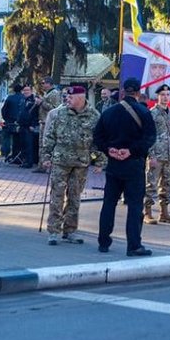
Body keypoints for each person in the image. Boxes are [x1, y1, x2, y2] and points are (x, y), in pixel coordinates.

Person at [94, 77, 156, 256]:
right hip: (134, 165)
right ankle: (134, 245)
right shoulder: (144, 113)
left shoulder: (109, 112)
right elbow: (150, 138)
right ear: (137, 93)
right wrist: (131, 151)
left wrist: (109, 150)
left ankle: (103, 242)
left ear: (122, 92)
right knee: (135, 206)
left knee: (109, 203)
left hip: (113, 165)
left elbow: (97, 137)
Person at [42, 85, 106, 245]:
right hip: (60, 161)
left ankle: (70, 230)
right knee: (56, 196)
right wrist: (46, 156)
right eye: (66, 97)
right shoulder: (60, 113)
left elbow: (98, 141)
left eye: (70, 97)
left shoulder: (94, 116)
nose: (67, 100)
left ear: (80, 98)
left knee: (74, 198)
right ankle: (53, 231)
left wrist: (100, 161)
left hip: (80, 163)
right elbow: (50, 136)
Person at [143, 84, 170, 225]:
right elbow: (148, 135)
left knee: (166, 184)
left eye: (168, 95)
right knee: (150, 184)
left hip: (168, 154)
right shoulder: (152, 113)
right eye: (163, 95)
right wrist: (151, 155)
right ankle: (147, 213)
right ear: (157, 97)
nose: (165, 97)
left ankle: (164, 213)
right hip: (156, 154)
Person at [35, 77, 61, 173]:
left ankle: (46, 165)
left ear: (49, 84)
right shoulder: (47, 93)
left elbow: (55, 108)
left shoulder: (55, 94)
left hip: (48, 122)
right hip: (43, 121)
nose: (42, 85)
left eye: (43, 83)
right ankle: (41, 165)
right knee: (41, 144)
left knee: (46, 144)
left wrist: (42, 102)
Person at [17, 84, 40, 168]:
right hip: (22, 125)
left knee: (29, 145)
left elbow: (36, 114)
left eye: (28, 90)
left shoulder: (34, 101)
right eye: (25, 90)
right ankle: (24, 161)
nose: (26, 92)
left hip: (29, 126)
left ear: (31, 91)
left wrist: (33, 125)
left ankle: (29, 162)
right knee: (23, 145)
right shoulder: (22, 100)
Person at [1, 84, 24, 162]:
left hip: (9, 122)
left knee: (6, 138)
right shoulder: (23, 98)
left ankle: (6, 154)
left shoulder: (10, 98)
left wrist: (6, 119)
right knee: (17, 140)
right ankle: (16, 155)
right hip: (19, 122)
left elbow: (4, 110)